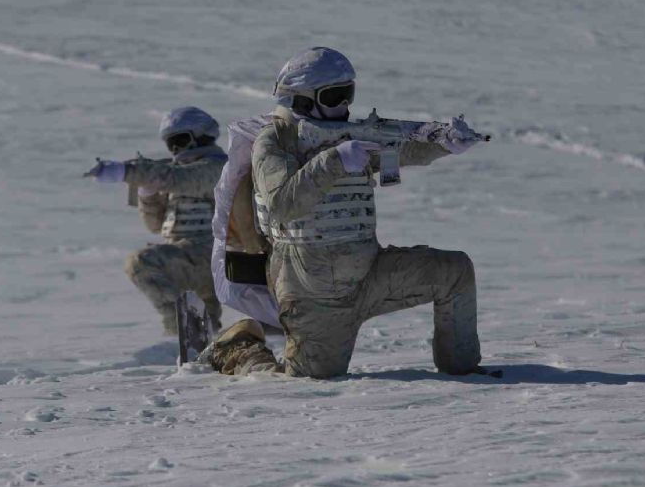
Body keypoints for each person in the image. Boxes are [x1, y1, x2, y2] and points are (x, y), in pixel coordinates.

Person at [207, 47, 485, 378]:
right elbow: (282, 205)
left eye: (348, 94)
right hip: (314, 293)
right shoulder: (276, 140)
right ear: (302, 98)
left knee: (453, 272)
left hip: (369, 274)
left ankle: (463, 370)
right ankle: (238, 348)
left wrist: (443, 144)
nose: (345, 105)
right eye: (335, 95)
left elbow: (400, 149)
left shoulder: (348, 138)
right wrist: (334, 161)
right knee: (305, 380)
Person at [88, 107, 226, 335]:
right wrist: (148, 195)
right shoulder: (173, 174)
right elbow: (155, 225)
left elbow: (184, 179)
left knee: (142, 263)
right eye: (170, 144)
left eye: (180, 141)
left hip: (216, 255)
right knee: (206, 332)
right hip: (188, 257)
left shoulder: (218, 167)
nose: (175, 149)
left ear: (201, 135)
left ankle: (183, 328)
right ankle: (197, 343)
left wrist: (128, 171)